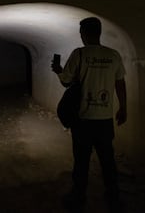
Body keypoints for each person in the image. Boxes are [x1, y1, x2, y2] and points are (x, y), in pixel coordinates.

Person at [51, 17, 127, 212]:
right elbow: (120, 82)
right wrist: (123, 107)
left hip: (83, 119)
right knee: (108, 161)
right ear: (99, 32)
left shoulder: (79, 54)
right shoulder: (114, 55)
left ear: (83, 34)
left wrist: (59, 71)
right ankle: (113, 197)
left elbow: (66, 82)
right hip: (105, 120)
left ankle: (78, 198)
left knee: (82, 161)